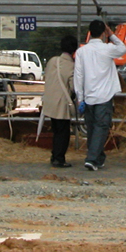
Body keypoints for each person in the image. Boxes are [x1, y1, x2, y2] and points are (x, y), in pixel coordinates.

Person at [73, 20, 126, 171]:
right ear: (104, 33)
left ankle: (98, 158)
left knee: (92, 128)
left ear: (89, 33)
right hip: (104, 96)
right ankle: (91, 159)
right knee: (101, 127)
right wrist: (112, 35)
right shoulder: (107, 49)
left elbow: (78, 76)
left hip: (88, 96)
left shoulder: (81, 52)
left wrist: (80, 98)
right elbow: (123, 48)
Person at [41, 35, 78, 168]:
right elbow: (74, 87)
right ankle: (59, 158)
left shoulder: (52, 61)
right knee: (63, 132)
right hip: (62, 103)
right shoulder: (71, 66)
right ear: (74, 49)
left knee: (56, 130)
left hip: (50, 101)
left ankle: (54, 155)